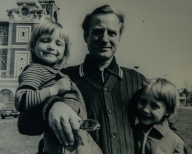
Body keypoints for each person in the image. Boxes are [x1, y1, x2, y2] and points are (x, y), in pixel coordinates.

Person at [17, 5, 146, 154]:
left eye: (111, 33)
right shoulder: (61, 77)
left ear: (119, 38)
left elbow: (163, 122)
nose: (104, 39)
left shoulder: (136, 80)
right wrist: (51, 106)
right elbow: (24, 124)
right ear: (85, 35)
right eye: (97, 31)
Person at [15, 21, 102, 154]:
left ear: (64, 52)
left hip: (76, 138)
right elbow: (21, 99)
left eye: (58, 43)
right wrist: (53, 90)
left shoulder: (56, 72)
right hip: (62, 141)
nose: (51, 47)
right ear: (33, 46)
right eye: (45, 40)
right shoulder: (35, 69)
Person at [129, 78, 191, 154]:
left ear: (167, 111)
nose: (145, 109)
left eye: (154, 106)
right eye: (142, 102)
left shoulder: (175, 143)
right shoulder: (131, 131)